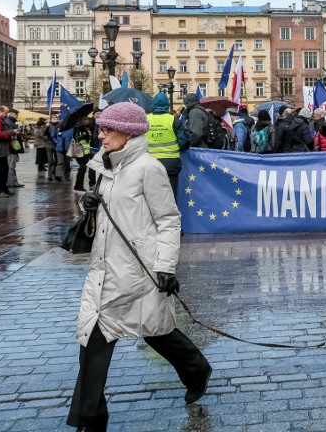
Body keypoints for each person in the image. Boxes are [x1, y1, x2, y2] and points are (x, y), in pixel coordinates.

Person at [67, 102, 211, 432]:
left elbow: (169, 220)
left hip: (140, 271)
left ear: (128, 133)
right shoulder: (104, 166)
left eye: (107, 129)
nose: (100, 135)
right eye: (100, 129)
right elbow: (104, 215)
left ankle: (196, 369)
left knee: (157, 333)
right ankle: (91, 419)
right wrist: (86, 204)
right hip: (104, 270)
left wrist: (165, 267)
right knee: (93, 341)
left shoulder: (149, 168)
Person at [147, 92, 188, 199]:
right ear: (167, 105)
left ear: (153, 104)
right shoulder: (173, 120)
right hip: (170, 163)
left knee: (150, 194)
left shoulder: (145, 119)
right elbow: (183, 141)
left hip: (149, 162)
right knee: (170, 194)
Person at [72, 116, 93, 192]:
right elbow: (76, 137)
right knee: (82, 168)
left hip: (86, 150)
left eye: (88, 119)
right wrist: (84, 134)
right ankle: (79, 186)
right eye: (85, 119)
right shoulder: (77, 128)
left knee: (83, 169)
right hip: (78, 149)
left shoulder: (87, 128)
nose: (87, 121)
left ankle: (78, 185)